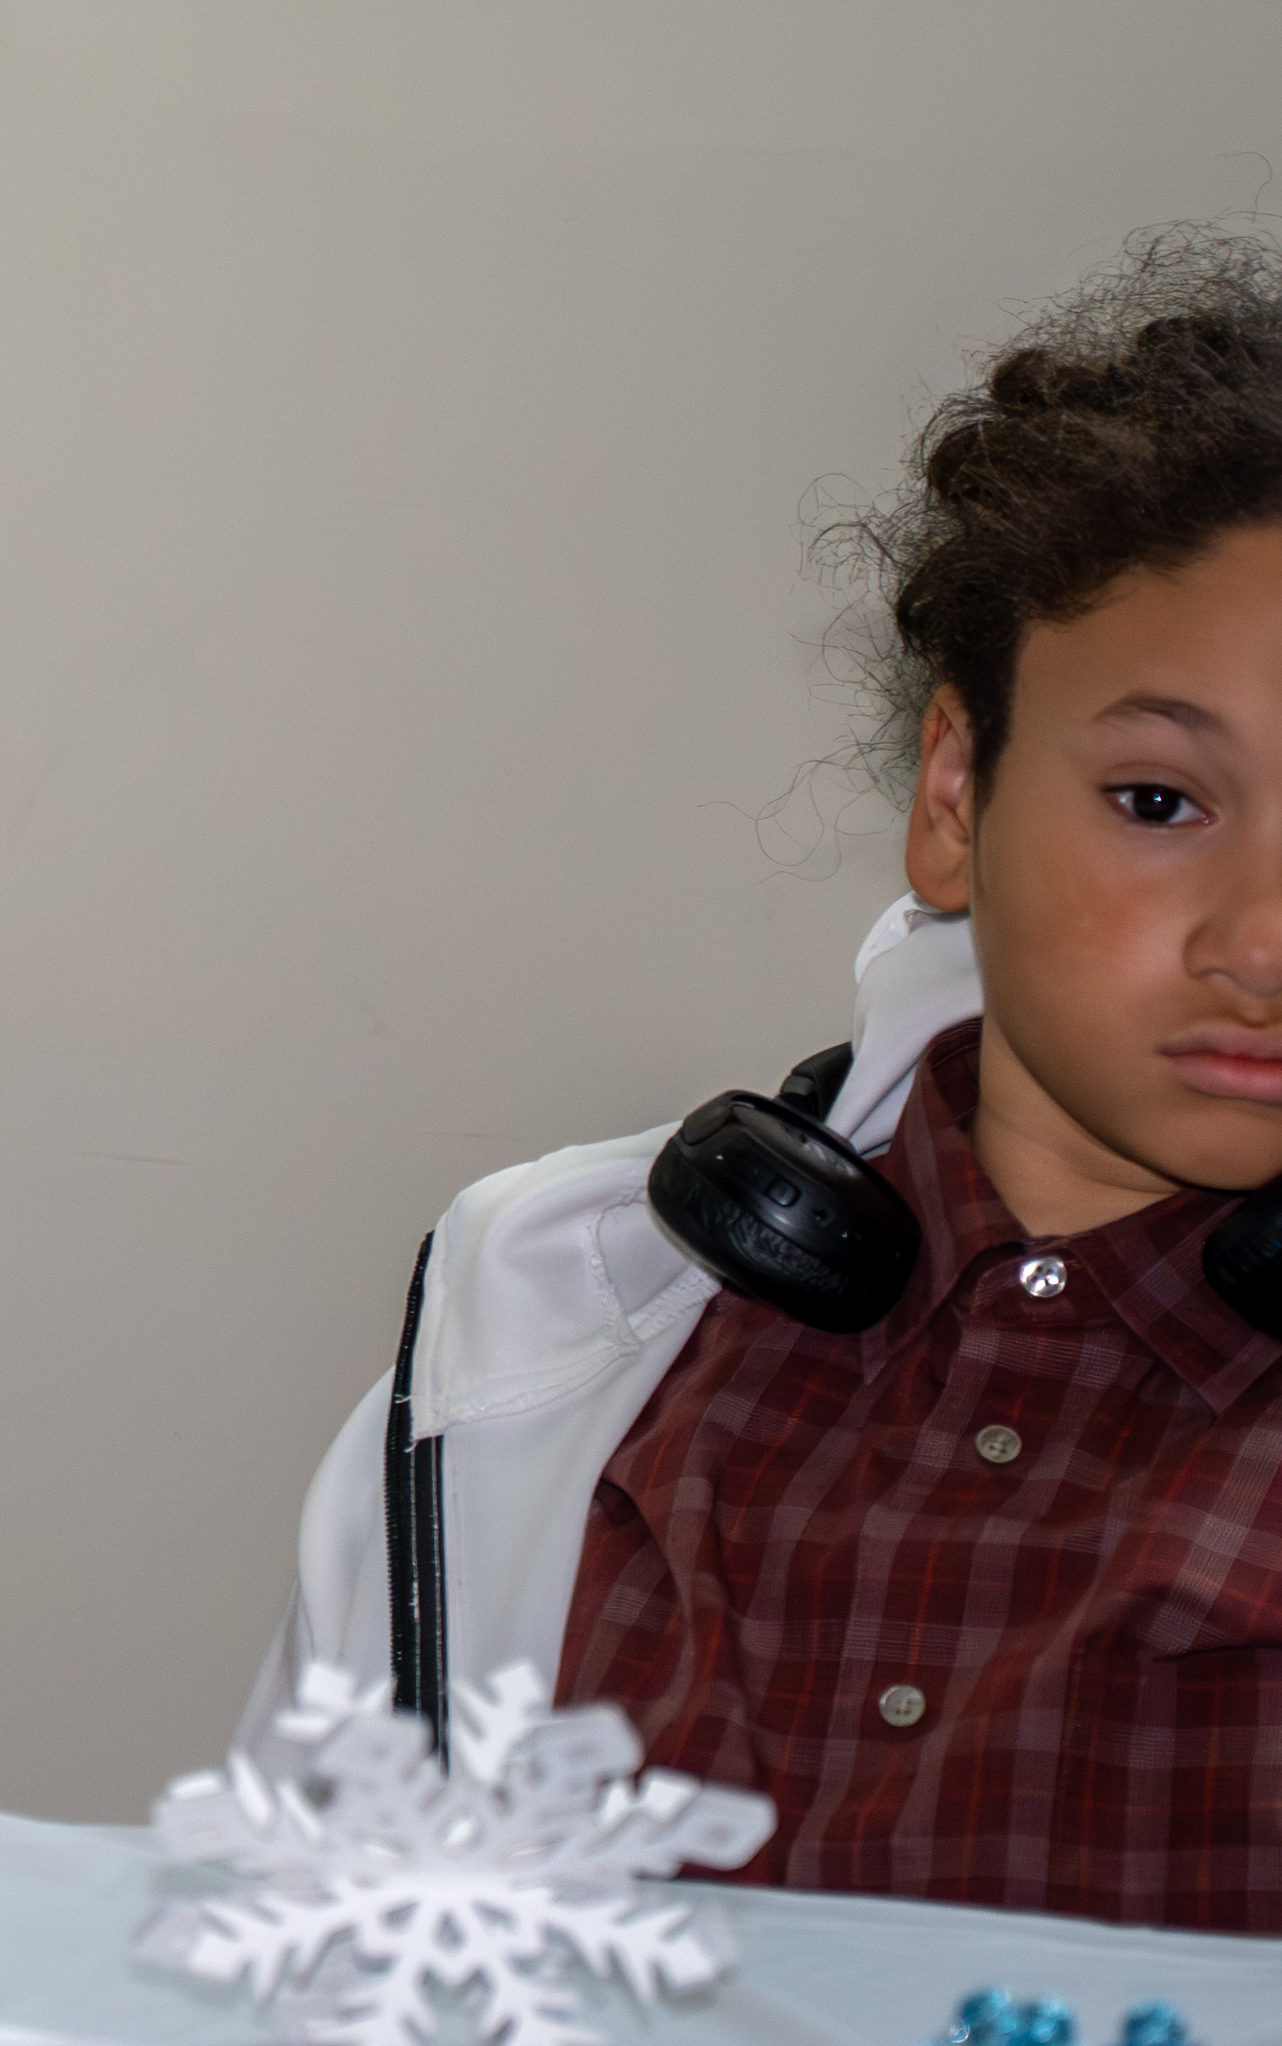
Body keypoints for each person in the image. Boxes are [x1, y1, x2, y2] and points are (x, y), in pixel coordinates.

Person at [252, 231, 1282, 1930]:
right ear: (955, 791)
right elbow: (299, 1984)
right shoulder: (533, 1326)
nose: (1261, 940)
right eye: (1162, 802)